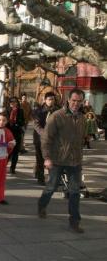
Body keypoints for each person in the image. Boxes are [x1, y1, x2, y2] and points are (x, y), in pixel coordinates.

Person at [38, 88, 87, 233]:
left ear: (82, 102)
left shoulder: (82, 118)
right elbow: (46, 138)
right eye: (73, 100)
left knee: (74, 192)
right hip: (57, 159)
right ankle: (42, 205)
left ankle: (74, 222)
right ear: (68, 100)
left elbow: (81, 138)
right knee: (52, 186)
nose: (76, 104)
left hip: (75, 161)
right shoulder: (57, 116)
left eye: (79, 101)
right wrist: (46, 157)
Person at [32, 92, 60, 185]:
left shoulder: (57, 110)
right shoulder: (38, 110)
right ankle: (40, 178)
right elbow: (36, 125)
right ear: (45, 100)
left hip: (53, 140)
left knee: (51, 159)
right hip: (40, 139)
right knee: (40, 159)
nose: (51, 101)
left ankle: (52, 178)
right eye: (49, 99)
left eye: (53, 99)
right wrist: (44, 134)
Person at [6, 97, 25, 174]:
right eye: (11, 102)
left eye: (14, 102)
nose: (13, 103)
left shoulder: (20, 111)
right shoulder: (7, 110)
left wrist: (18, 124)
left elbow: (23, 122)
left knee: (15, 152)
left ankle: (12, 168)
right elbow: (3, 120)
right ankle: (3, 166)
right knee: (8, 151)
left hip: (17, 133)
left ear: (17, 103)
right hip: (8, 133)